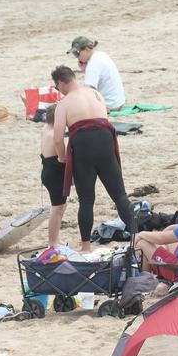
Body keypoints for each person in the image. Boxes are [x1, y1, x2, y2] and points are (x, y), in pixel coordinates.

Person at [50, 65, 134, 253]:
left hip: (83, 142)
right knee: (120, 195)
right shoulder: (95, 94)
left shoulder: (64, 103)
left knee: (86, 199)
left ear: (61, 83)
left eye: (57, 87)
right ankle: (137, 238)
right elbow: (105, 114)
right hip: (105, 138)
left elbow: (57, 138)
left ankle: (86, 246)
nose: (59, 91)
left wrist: (63, 159)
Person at [69, 36, 125, 112]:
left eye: (77, 53)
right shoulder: (100, 54)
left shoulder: (93, 65)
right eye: (74, 54)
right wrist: (84, 69)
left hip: (110, 106)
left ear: (87, 49)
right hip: (118, 102)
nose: (76, 57)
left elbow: (89, 91)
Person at [39, 104, 69, 246]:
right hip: (55, 172)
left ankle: (55, 238)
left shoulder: (45, 129)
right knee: (57, 208)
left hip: (47, 170)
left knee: (59, 206)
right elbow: (62, 157)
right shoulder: (54, 136)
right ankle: (52, 240)